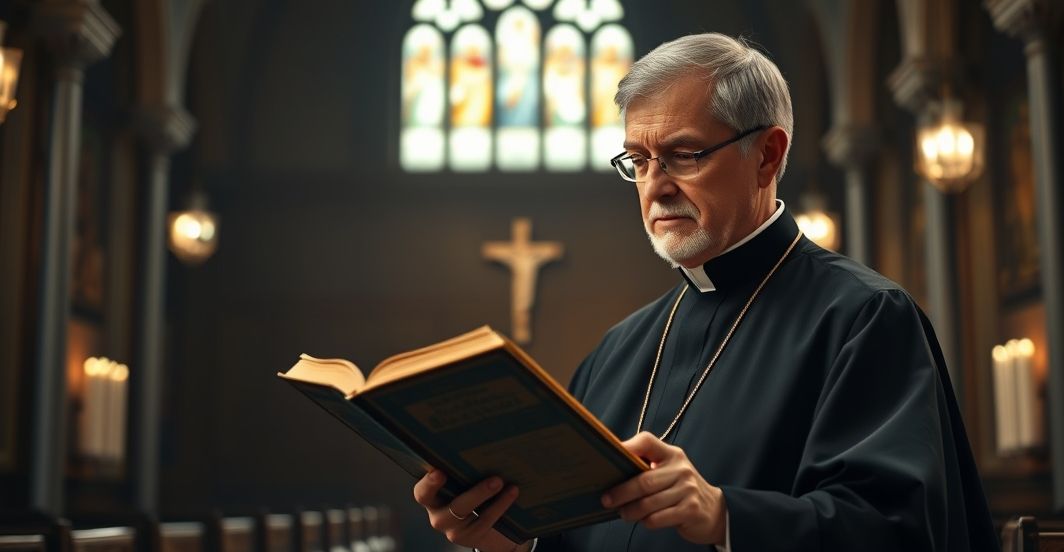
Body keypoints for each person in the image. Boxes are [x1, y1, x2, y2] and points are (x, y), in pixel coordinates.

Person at [413, 32, 999, 551]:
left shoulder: (865, 319)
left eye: (682, 155)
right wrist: (509, 540)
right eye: (638, 161)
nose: (655, 187)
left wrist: (724, 516)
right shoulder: (618, 348)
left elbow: (898, 531)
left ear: (767, 155)